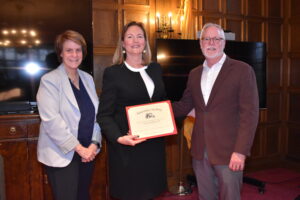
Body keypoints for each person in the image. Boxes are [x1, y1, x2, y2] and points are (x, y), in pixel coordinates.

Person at [172, 23, 259, 200]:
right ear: (200, 43)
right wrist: (155, 109)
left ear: (224, 43)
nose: (211, 42)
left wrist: (240, 151)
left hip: (229, 152)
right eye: (206, 38)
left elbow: (249, 115)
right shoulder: (194, 73)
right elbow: (184, 105)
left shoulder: (242, 70)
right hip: (199, 150)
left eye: (217, 38)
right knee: (206, 196)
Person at [97, 21, 167, 200]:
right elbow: (104, 114)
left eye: (140, 36)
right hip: (128, 148)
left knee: (153, 193)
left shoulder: (155, 69)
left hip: (154, 148)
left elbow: (162, 105)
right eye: (130, 36)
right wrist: (119, 138)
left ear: (145, 42)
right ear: (123, 43)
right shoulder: (114, 73)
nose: (135, 40)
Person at [36, 30, 101, 200]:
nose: (74, 54)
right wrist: (80, 149)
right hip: (64, 153)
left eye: (78, 50)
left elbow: (96, 116)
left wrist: (93, 145)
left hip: (88, 153)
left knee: (83, 196)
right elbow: (51, 122)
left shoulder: (88, 79)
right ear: (61, 53)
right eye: (69, 50)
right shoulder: (49, 80)